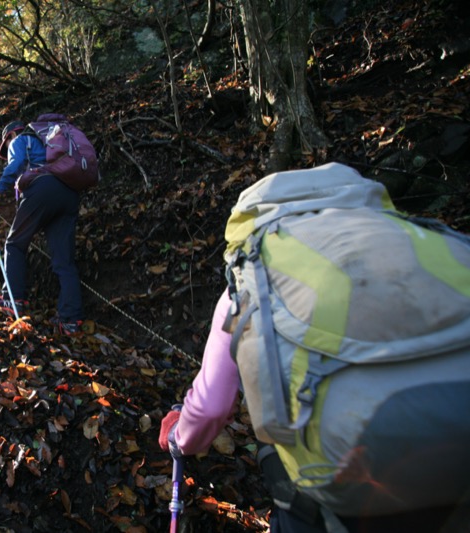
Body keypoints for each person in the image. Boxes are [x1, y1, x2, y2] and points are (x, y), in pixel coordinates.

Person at [158, 165, 470, 532]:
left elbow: (211, 408)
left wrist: (179, 438)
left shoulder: (253, 276)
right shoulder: (425, 241)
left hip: (347, 485)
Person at [0, 120, 84, 335]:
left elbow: (15, 165)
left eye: (5, 145)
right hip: (69, 194)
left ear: (10, 136)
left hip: (43, 188)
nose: (7, 148)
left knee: (14, 244)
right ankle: (70, 320)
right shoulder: (49, 146)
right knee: (64, 261)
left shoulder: (19, 140)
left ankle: (13, 300)